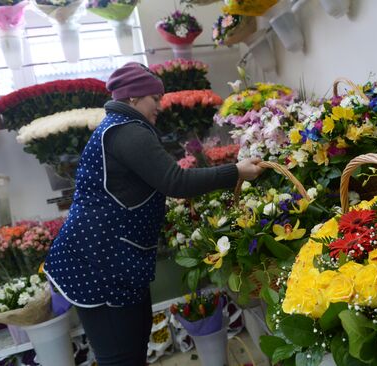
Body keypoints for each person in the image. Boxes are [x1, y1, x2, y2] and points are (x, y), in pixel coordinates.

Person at [43, 62, 263, 366]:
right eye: (154, 98)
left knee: (132, 344)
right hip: (99, 264)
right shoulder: (127, 132)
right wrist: (236, 172)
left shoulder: (118, 127)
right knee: (121, 356)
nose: (160, 105)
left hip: (106, 259)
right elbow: (176, 181)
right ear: (133, 98)